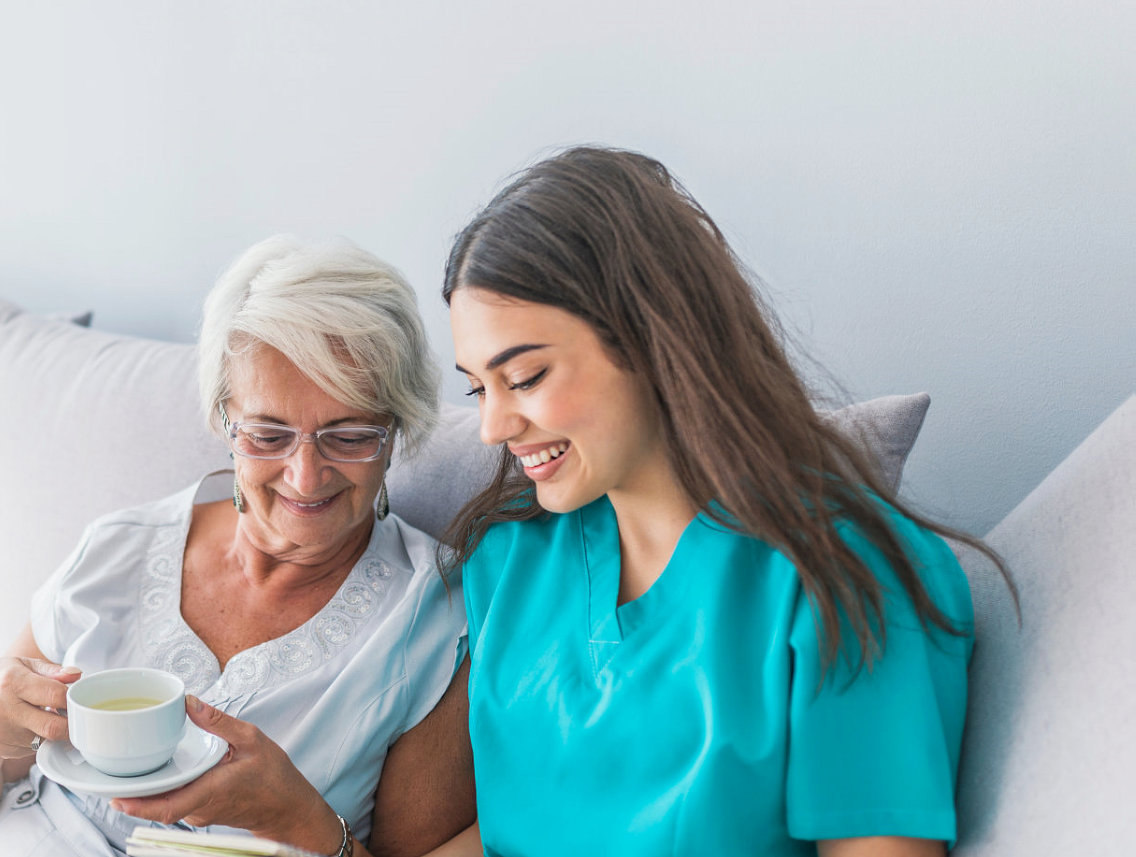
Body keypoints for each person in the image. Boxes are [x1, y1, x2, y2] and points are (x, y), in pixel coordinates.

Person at [431, 147, 1009, 857]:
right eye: (476, 388)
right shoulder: (509, 559)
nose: (493, 426)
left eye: (524, 376)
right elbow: (510, 833)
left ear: (648, 336)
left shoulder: (842, 572)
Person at [0, 235, 476, 857]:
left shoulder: (434, 621)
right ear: (223, 420)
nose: (305, 476)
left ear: (396, 431)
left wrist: (300, 819)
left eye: (350, 435)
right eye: (267, 433)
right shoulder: (118, 551)